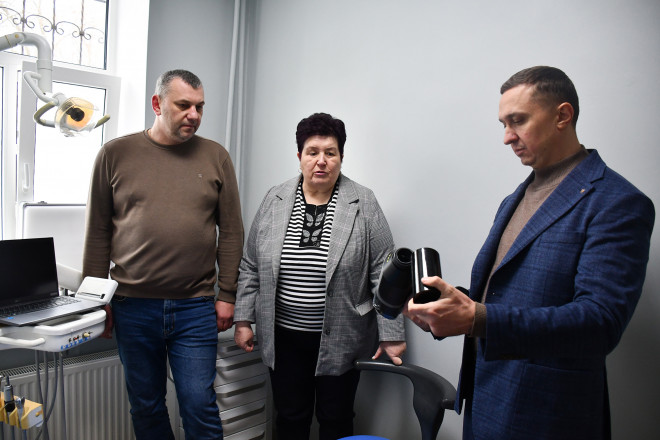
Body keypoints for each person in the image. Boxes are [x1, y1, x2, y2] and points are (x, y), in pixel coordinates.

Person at [404, 66, 655, 440]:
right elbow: (502, 299)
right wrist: (449, 310)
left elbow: (600, 323)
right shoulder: (513, 200)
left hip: (549, 415)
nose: (507, 137)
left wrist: (477, 319)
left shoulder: (618, 202)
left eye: (518, 121)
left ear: (562, 115)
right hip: (484, 403)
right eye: (503, 124)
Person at [82, 69, 244, 440]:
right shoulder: (114, 154)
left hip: (195, 307)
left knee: (199, 404)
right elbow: (98, 232)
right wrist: (95, 301)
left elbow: (232, 231)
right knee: (146, 405)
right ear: (157, 104)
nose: (194, 115)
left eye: (200, 107)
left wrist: (227, 294)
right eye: (184, 105)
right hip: (132, 306)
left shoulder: (216, 156)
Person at [233, 112, 406, 440]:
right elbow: (251, 264)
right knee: (289, 417)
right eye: (313, 152)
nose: (321, 161)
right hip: (283, 338)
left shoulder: (363, 202)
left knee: (336, 418)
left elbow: (384, 272)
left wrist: (391, 334)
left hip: (343, 336)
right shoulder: (274, 199)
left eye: (330, 152)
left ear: (341, 157)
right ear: (300, 156)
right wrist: (243, 320)